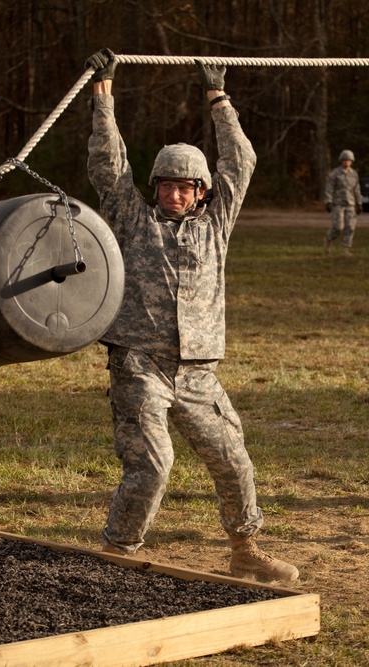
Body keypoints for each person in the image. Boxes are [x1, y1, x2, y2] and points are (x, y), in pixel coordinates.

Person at [83, 48, 299, 583]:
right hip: (140, 365)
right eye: (167, 185)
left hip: (198, 370)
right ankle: (118, 552)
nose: (176, 194)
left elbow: (240, 163)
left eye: (186, 187)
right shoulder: (133, 220)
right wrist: (104, 93)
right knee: (153, 467)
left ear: (202, 193)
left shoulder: (215, 225)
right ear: (154, 188)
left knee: (233, 459)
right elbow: (109, 167)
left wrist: (219, 99)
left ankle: (246, 549)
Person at [323, 149, 363, 256]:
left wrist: (359, 203)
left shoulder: (354, 174)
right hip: (338, 204)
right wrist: (328, 201)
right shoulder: (335, 173)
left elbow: (356, 189)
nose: (346, 162)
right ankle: (328, 239)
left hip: (350, 203)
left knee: (350, 227)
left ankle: (346, 249)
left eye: (348, 160)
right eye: (344, 160)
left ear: (351, 161)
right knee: (338, 227)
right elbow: (329, 188)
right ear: (341, 161)